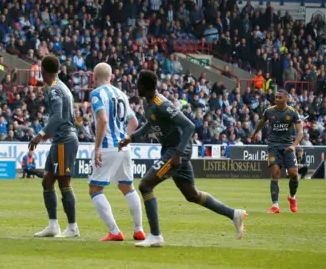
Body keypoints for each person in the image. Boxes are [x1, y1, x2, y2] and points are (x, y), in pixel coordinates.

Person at [118, 70, 246, 247]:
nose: (136, 87)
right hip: (172, 150)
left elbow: (189, 126)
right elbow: (151, 123)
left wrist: (178, 153)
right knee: (192, 194)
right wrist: (131, 138)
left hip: (177, 151)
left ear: (142, 86)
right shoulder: (149, 104)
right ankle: (234, 214)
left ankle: (155, 236)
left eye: (137, 84)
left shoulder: (161, 103)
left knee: (145, 185)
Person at [89, 63, 145, 242]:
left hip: (107, 146)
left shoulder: (97, 93)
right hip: (124, 147)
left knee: (95, 189)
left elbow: (103, 121)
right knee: (128, 187)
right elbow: (134, 122)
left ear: (93, 76)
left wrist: (97, 148)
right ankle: (139, 230)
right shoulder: (121, 94)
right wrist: (125, 138)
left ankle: (114, 231)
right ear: (111, 76)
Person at [28, 55, 79, 238]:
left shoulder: (55, 89)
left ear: (43, 70)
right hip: (60, 140)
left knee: (64, 181)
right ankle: (53, 226)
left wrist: (40, 135)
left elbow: (57, 116)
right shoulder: (62, 86)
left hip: (64, 140)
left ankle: (72, 227)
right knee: (47, 180)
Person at [249, 89, 303, 213]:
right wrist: (254, 134)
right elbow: (261, 123)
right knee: (275, 173)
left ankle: (292, 197)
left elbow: (300, 132)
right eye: (276, 97)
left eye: (280, 97)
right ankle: (275, 205)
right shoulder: (269, 111)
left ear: (286, 99)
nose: (277, 99)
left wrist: (294, 146)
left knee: (294, 174)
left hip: (288, 146)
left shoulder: (293, 113)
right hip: (273, 145)